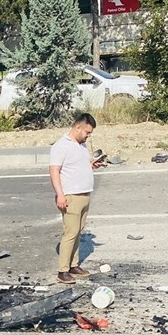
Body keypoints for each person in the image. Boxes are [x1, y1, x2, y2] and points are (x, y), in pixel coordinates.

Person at [49, 112, 105, 284]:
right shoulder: (61, 146)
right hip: (70, 196)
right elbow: (54, 170)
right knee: (70, 233)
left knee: (78, 231)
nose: (88, 136)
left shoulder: (80, 146)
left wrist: (92, 165)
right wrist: (60, 194)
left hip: (84, 194)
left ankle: (73, 265)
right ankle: (62, 271)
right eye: (87, 132)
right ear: (78, 127)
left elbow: (79, 165)